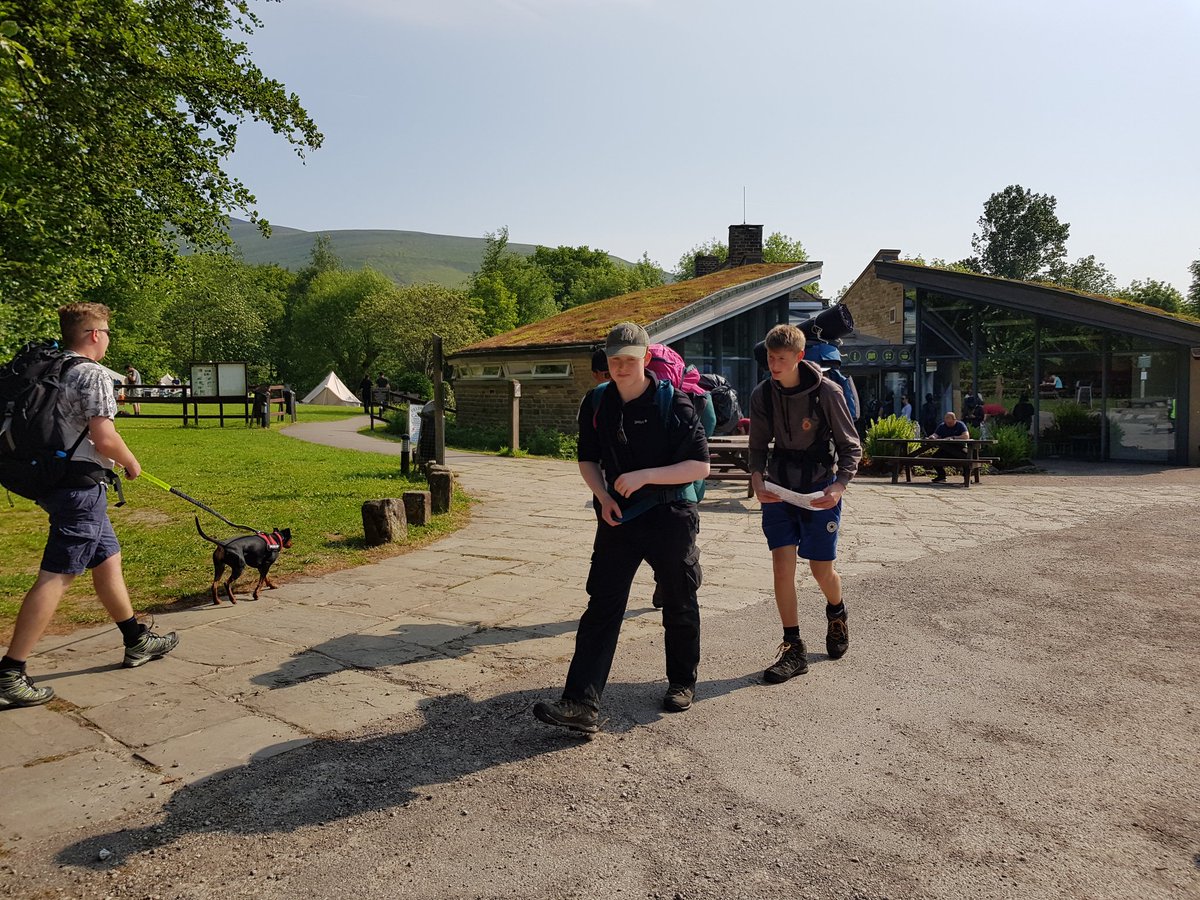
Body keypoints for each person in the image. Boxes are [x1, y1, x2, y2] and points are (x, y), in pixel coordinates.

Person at [533, 322, 709, 733]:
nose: (621, 367)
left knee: (679, 600)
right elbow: (588, 460)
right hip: (618, 517)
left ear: (646, 359)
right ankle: (580, 704)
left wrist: (646, 476)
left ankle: (682, 682)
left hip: (670, 516)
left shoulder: (676, 404)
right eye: (614, 360)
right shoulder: (597, 402)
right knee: (602, 606)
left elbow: (699, 467)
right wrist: (604, 496)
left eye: (629, 360)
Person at [0, 303, 179, 709]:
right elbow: (104, 438)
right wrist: (131, 463)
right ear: (95, 334)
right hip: (79, 489)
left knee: (106, 558)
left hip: (48, 479)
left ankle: (136, 640)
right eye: (108, 332)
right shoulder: (91, 374)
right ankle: (11, 671)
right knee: (58, 574)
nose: (108, 339)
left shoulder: (51, 369)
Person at [749, 323, 861, 684]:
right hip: (779, 490)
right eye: (770, 357)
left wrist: (840, 486)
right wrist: (756, 479)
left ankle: (837, 613)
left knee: (819, 570)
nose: (774, 365)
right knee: (782, 568)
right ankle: (793, 647)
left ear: (800, 357)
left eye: (781, 359)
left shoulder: (827, 392)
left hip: (819, 490)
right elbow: (756, 446)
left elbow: (851, 447)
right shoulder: (763, 394)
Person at [926, 411, 970, 483]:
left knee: (967, 458)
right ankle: (941, 476)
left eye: (950, 423)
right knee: (934, 458)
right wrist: (932, 437)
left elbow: (966, 436)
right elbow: (935, 435)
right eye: (946, 422)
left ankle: (966, 478)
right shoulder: (942, 426)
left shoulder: (960, 425)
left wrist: (953, 437)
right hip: (945, 449)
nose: (948, 424)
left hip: (959, 448)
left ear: (954, 420)